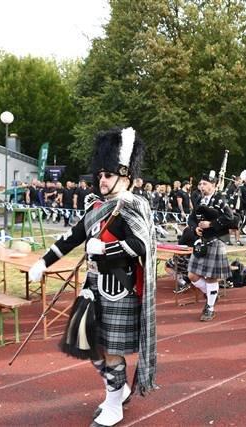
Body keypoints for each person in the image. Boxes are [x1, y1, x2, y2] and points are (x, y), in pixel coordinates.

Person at [28, 127, 157, 427]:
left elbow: (142, 245)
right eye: (100, 175)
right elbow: (71, 238)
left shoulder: (133, 205)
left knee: (111, 351)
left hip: (119, 288)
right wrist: (43, 262)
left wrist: (106, 249)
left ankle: (114, 405)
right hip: (93, 286)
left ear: (125, 177)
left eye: (108, 175)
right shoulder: (95, 206)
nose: (102, 180)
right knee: (89, 343)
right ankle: (119, 390)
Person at [187, 171, 234, 321]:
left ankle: (210, 307)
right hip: (202, 241)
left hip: (216, 240)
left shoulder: (220, 199)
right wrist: (195, 228)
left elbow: (230, 217)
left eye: (205, 183)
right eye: (200, 184)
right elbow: (191, 218)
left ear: (213, 185)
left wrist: (211, 224)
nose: (201, 186)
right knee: (192, 275)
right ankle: (211, 294)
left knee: (211, 278)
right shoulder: (199, 199)